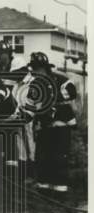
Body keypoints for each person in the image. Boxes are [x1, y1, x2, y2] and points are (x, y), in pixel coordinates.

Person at [26, 52, 77, 194]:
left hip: (60, 126)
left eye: (38, 69)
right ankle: (44, 187)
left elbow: (71, 92)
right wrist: (22, 118)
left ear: (45, 68)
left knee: (59, 157)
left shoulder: (60, 80)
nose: (35, 72)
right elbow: (30, 106)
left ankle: (60, 189)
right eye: (34, 69)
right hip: (44, 126)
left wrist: (51, 99)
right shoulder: (35, 85)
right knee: (43, 156)